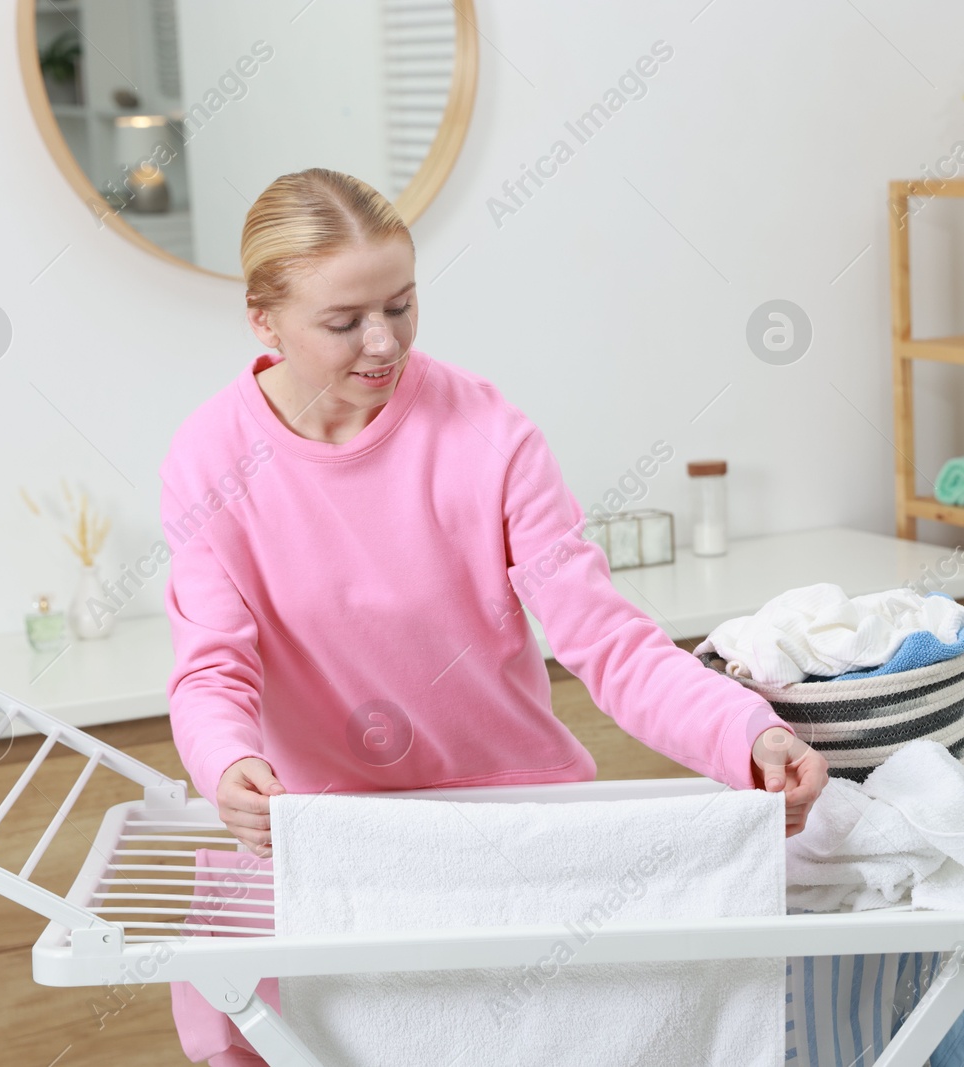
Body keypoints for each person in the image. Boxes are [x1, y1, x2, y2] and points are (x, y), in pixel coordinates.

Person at [158, 168, 828, 1066]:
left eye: (401, 304)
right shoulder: (211, 458)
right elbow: (212, 667)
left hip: (514, 836)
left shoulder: (487, 432)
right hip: (330, 844)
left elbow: (605, 638)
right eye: (344, 320)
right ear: (263, 320)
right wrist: (228, 760)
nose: (383, 342)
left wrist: (743, 733)